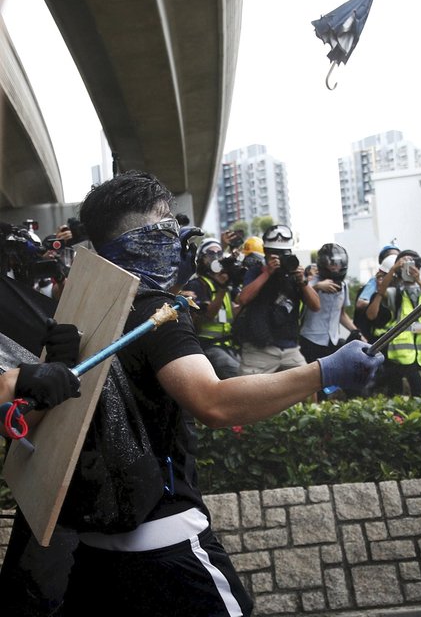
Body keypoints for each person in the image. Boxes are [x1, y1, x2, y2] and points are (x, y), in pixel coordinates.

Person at [54, 169, 382, 616]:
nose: (179, 239)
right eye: (167, 226)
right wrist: (325, 371)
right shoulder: (155, 312)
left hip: (93, 546)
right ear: (147, 239)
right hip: (165, 542)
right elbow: (213, 402)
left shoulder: (78, 308)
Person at [234, 224, 320, 375]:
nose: (280, 259)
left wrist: (303, 282)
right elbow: (243, 299)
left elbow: (316, 306)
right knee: (247, 393)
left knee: (309, 386)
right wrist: (267, 273)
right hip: (259, 349)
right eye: (275, 254)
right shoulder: (256, 271)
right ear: (266, 253)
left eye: (284, 254)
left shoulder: (294, 275)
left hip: (290, 348)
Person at [367, 249, 421, 396]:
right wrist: (393, 270)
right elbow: (378, 299)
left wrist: (418, 280)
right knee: (418, 392)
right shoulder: (395, 293)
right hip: (405, 353)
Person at [299, 243, 364, 399]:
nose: (335, 266)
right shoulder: (309, 282)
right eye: (331, 262)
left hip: (332, 340)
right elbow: (301, 303)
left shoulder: (344, 285)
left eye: (338, 263)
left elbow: (341, 314)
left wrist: (357, 332)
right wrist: (317, 287)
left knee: (347, 383)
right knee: (315, 386)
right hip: (311, 339)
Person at [183, 238, 242, 379]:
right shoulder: (197, 284)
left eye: (219, 252)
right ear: (202, 259)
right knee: (237, 375)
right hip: (209, 345)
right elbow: (208, 315)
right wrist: (223, 288)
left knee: (248, 373)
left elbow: (237, 308)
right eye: (210, 253)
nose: (216, 256)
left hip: (228, 344)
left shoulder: (226, 282)